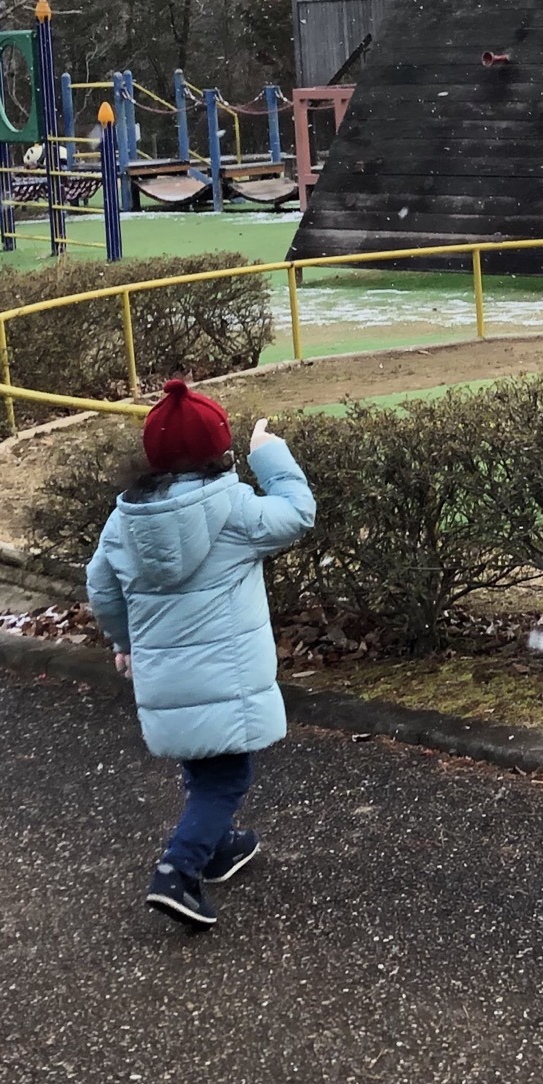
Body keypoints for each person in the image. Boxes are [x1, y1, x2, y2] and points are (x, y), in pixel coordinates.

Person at [86, 377, 315, 930]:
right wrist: (270, 455)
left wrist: (124, 643)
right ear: (220, 450)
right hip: (225, 678)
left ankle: (218, 848)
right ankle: (178, 871)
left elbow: (102, 588)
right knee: (226, 779)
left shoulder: (125, 520)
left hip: (165, 677)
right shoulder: (234, 508)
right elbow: (297, 513)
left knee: (204, 761)